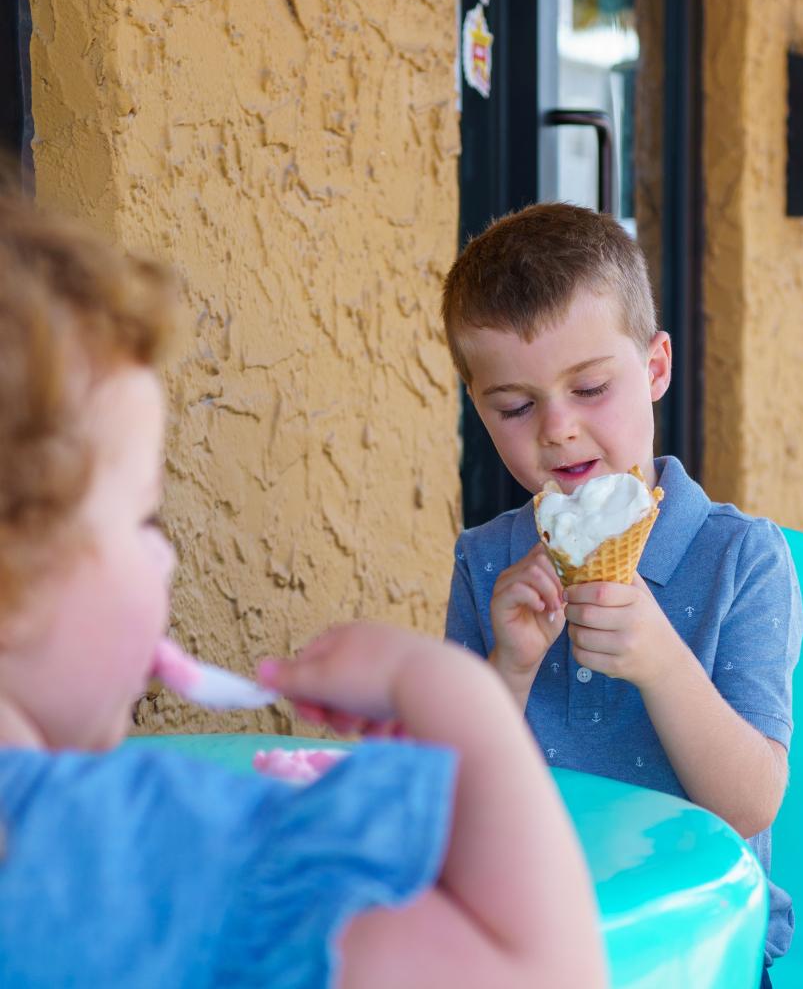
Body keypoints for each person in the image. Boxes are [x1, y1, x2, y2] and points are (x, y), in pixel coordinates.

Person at [0, 189, 606, 989]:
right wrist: (451, 694)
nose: (165, 559)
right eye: (142, 520)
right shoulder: (128, 851)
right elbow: (544, 972)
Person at [442, 202, 803, 987]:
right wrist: (507, 667)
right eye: (515, 405)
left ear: (656, 368)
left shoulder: (741, 559)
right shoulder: (484, 566)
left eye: (591, 387)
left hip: (701, 946)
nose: (559, 429)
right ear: (480, 410)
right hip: (527, 945)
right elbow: (446, 798)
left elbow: (749, 805)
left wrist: (662, 663)